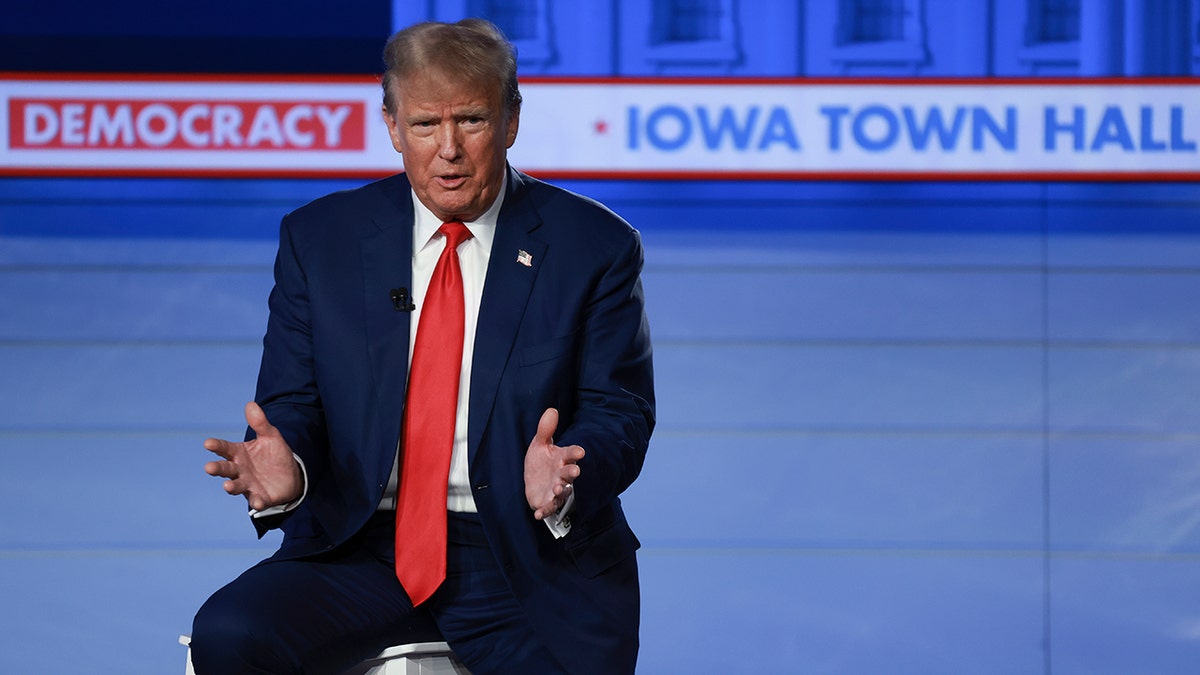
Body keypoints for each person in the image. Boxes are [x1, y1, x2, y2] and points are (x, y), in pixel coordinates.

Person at [189, 18, 655, 675]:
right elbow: (292, 401)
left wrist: (573, 470)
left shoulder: (594, 247)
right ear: (392, 126)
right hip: (365, 547)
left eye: (470, 120)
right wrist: (288, 466)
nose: (449, 151)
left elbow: (620, 412)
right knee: (228, 634)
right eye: (425, 125)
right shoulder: (320, 240)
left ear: (511, 120)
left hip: (528, 559)